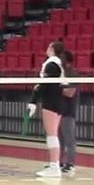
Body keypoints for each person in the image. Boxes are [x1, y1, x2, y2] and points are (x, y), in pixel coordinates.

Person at [28, 41, 66, 178]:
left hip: (51, 102)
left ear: (52, 49)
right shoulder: (58, 64)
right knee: (53, 134)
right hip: (58, 102)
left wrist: (33, 101)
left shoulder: (51, 64)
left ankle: (54, 166)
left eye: (49, 46)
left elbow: (43, 85)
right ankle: (54, 165)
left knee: (51, 135)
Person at [59, 50, 79, 175]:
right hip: (58, 110)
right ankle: (58, 162)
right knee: (59, 139)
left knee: (69, 139)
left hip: (68, 111)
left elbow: (70, 92)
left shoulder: (72, 74)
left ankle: (70, 163)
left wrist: (56, 89)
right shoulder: (61, 74)